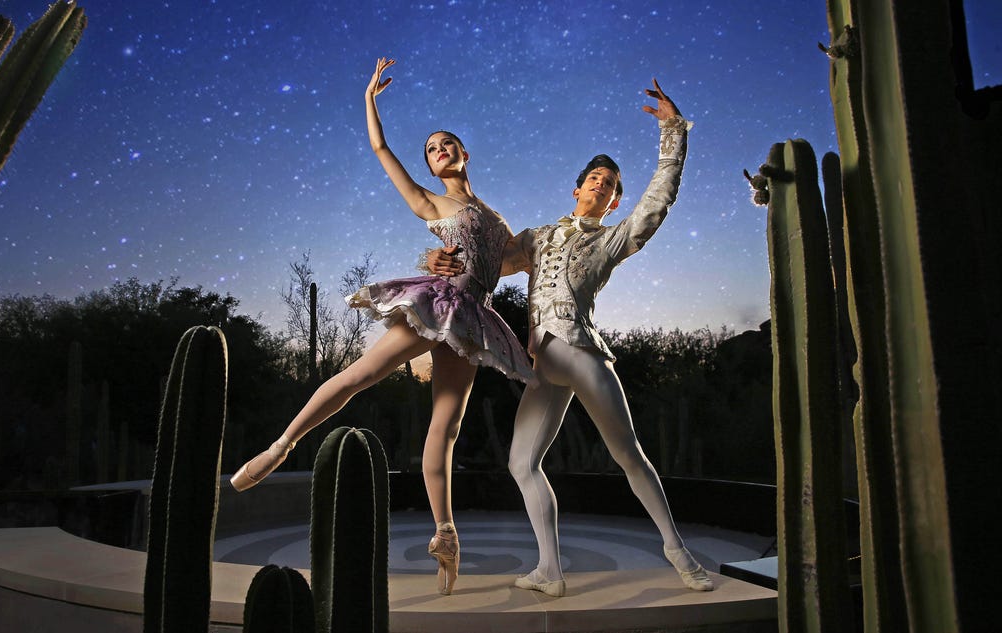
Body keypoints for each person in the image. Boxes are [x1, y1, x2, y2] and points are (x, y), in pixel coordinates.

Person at [229, 57, 534, 596]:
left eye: (447, 144)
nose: (440, 152)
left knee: (448, 424)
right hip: (438, 303)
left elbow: (513, 261)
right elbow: (381, 153)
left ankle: (446, 533)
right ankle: (281, 445)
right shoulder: (431, 200)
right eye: (432, 150)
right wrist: (369, 100)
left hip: (471, 321)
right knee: (360, 375)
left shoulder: (496, 217)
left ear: (464, 153)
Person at [426, 79, 712, 597]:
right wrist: (436, 260)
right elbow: (485, 258)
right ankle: (550, 571)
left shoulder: (613, 239)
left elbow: (658, 200)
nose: (601, 186)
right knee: (521, 463)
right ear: (577, 188)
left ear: (614, 199)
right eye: (594, 179)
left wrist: (673, 132)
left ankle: (679, 553)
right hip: (540, 362)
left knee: (628, 454)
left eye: (610, 184)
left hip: (579, 352)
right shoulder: (538, 237)